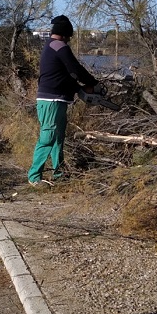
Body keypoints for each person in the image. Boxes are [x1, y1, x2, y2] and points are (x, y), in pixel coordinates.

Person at [28, 15, 98, 186]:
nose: (69, 40)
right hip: (51, 100)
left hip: (56, 100)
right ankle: (34, 177)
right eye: (69, 36)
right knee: (48, 137)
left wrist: (78, 89)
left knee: (58, 137)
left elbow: (65, 76)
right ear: (65, 34)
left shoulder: (51, 46)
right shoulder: (60, 46)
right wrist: (92, 83)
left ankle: (59, 173)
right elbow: (75, 68)